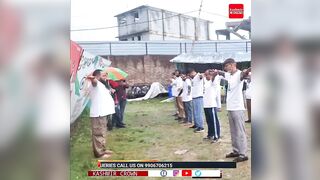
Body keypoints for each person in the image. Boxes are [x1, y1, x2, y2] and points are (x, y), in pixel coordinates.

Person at [214, 58, 251, 162]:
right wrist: (217, 71)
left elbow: (244, 74)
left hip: (238, 108)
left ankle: (243, 154)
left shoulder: (239, 74)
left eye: (226, 66)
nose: (225, 68)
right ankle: (236, 151)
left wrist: (247, 70)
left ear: (232, 65)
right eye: (225, 67)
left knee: (240, 131)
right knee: (233, 131)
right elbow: (223, 74)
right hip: (230, 107)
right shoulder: (229, 75)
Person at [86, 69, 115, 159]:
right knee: (98, 133)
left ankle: (102, 149)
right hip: (98, 113)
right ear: (98, 76)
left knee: (102, 133)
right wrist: (92, 78)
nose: (106, 77)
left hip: (103, 113)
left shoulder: (102, 85)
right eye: (103, 75)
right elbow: (94, 82)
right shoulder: (95, 84)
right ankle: (98, 154)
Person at [203, 70, 221, 143]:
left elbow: (213, 78)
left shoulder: (214, 82)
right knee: (209, 121)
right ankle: (210, 134)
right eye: (206, 75)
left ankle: (216, 136)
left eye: (209, 75)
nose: (207, 76)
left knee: (214, 121)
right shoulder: (205, 82)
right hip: (206, 105)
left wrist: (214, 74)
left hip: (212, 105)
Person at [187, 68, 205, 133]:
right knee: (195, 113)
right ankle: (196, 124)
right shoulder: (193, 78)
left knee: (199, 113)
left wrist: (201, 75)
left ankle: (201, 127)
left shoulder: (198, 76)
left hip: (199, 97)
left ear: (192, 72)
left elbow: (202, 76)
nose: (189, 76)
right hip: (194, 97)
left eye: (189, 74)